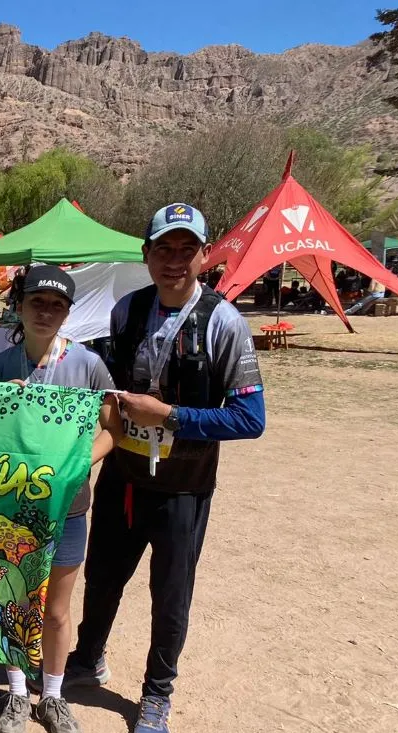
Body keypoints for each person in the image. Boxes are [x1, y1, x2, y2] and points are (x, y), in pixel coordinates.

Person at [64, 204, 265, 733]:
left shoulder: (224, 322)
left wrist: (171, 417)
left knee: (170, 593)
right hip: (123, 481)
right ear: (146, 254)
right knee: (103, 577)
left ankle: (157, 693)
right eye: (163, 249)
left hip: (184, 489)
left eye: (186, 249)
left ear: (204, 254)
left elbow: (250, 419)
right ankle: (88, 658)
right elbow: (105, 392)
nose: (174, 260)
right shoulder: (125, 311)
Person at [0, 266, 123, 733]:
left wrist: (81, 462)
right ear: (19, 306)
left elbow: (114, 428)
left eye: (56, 305)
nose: (45, 312)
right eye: (36, 303)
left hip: (68, 505)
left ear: (68, 312)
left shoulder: (87, 363)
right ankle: (17, 694)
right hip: (13, 507)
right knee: (15, 600)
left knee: (58, 608)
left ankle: (54, 695)